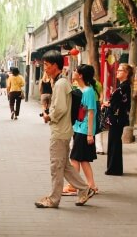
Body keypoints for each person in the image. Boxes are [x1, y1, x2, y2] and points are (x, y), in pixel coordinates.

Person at [35, 50, 96, 209]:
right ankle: (84, 189)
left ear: (55, 65)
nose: (45, 69)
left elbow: (60, 108)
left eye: (47, 65)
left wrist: (49, 116)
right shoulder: (61, 82)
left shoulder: (61, 83)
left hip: (60, 131)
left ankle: (53, 199)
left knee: (56, 166)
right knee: (65, 166)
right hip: (63, 130)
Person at [69, 64, 99, 194]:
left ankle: (74, 185)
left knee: (75, 158)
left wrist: (90, 134)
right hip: (79, 128)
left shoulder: (88, 92)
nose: (73, 72)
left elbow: (91, 112)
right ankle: (91, 185)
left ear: (80, 75)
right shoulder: (84, 90)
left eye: (75, 71)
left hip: (84, 130)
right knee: (83, 159)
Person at [103, 63, 133, 175]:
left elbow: (119, 104)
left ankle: (114, 169)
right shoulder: (123, 86)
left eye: (120, 70)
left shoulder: (124, 87)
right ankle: (113, 168)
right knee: (113, 142)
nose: (117, 72)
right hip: (116, 118)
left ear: (126, 73)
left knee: (114, 142)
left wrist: (108, 104)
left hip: (117, 119)